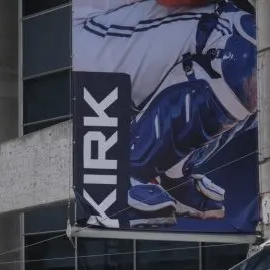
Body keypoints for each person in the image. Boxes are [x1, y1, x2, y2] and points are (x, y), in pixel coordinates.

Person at [72, 0, 256, 227]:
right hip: (91, 33)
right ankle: (130, 169)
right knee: (249, 43)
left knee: (259, 49)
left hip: (126, 30)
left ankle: (172, 169)